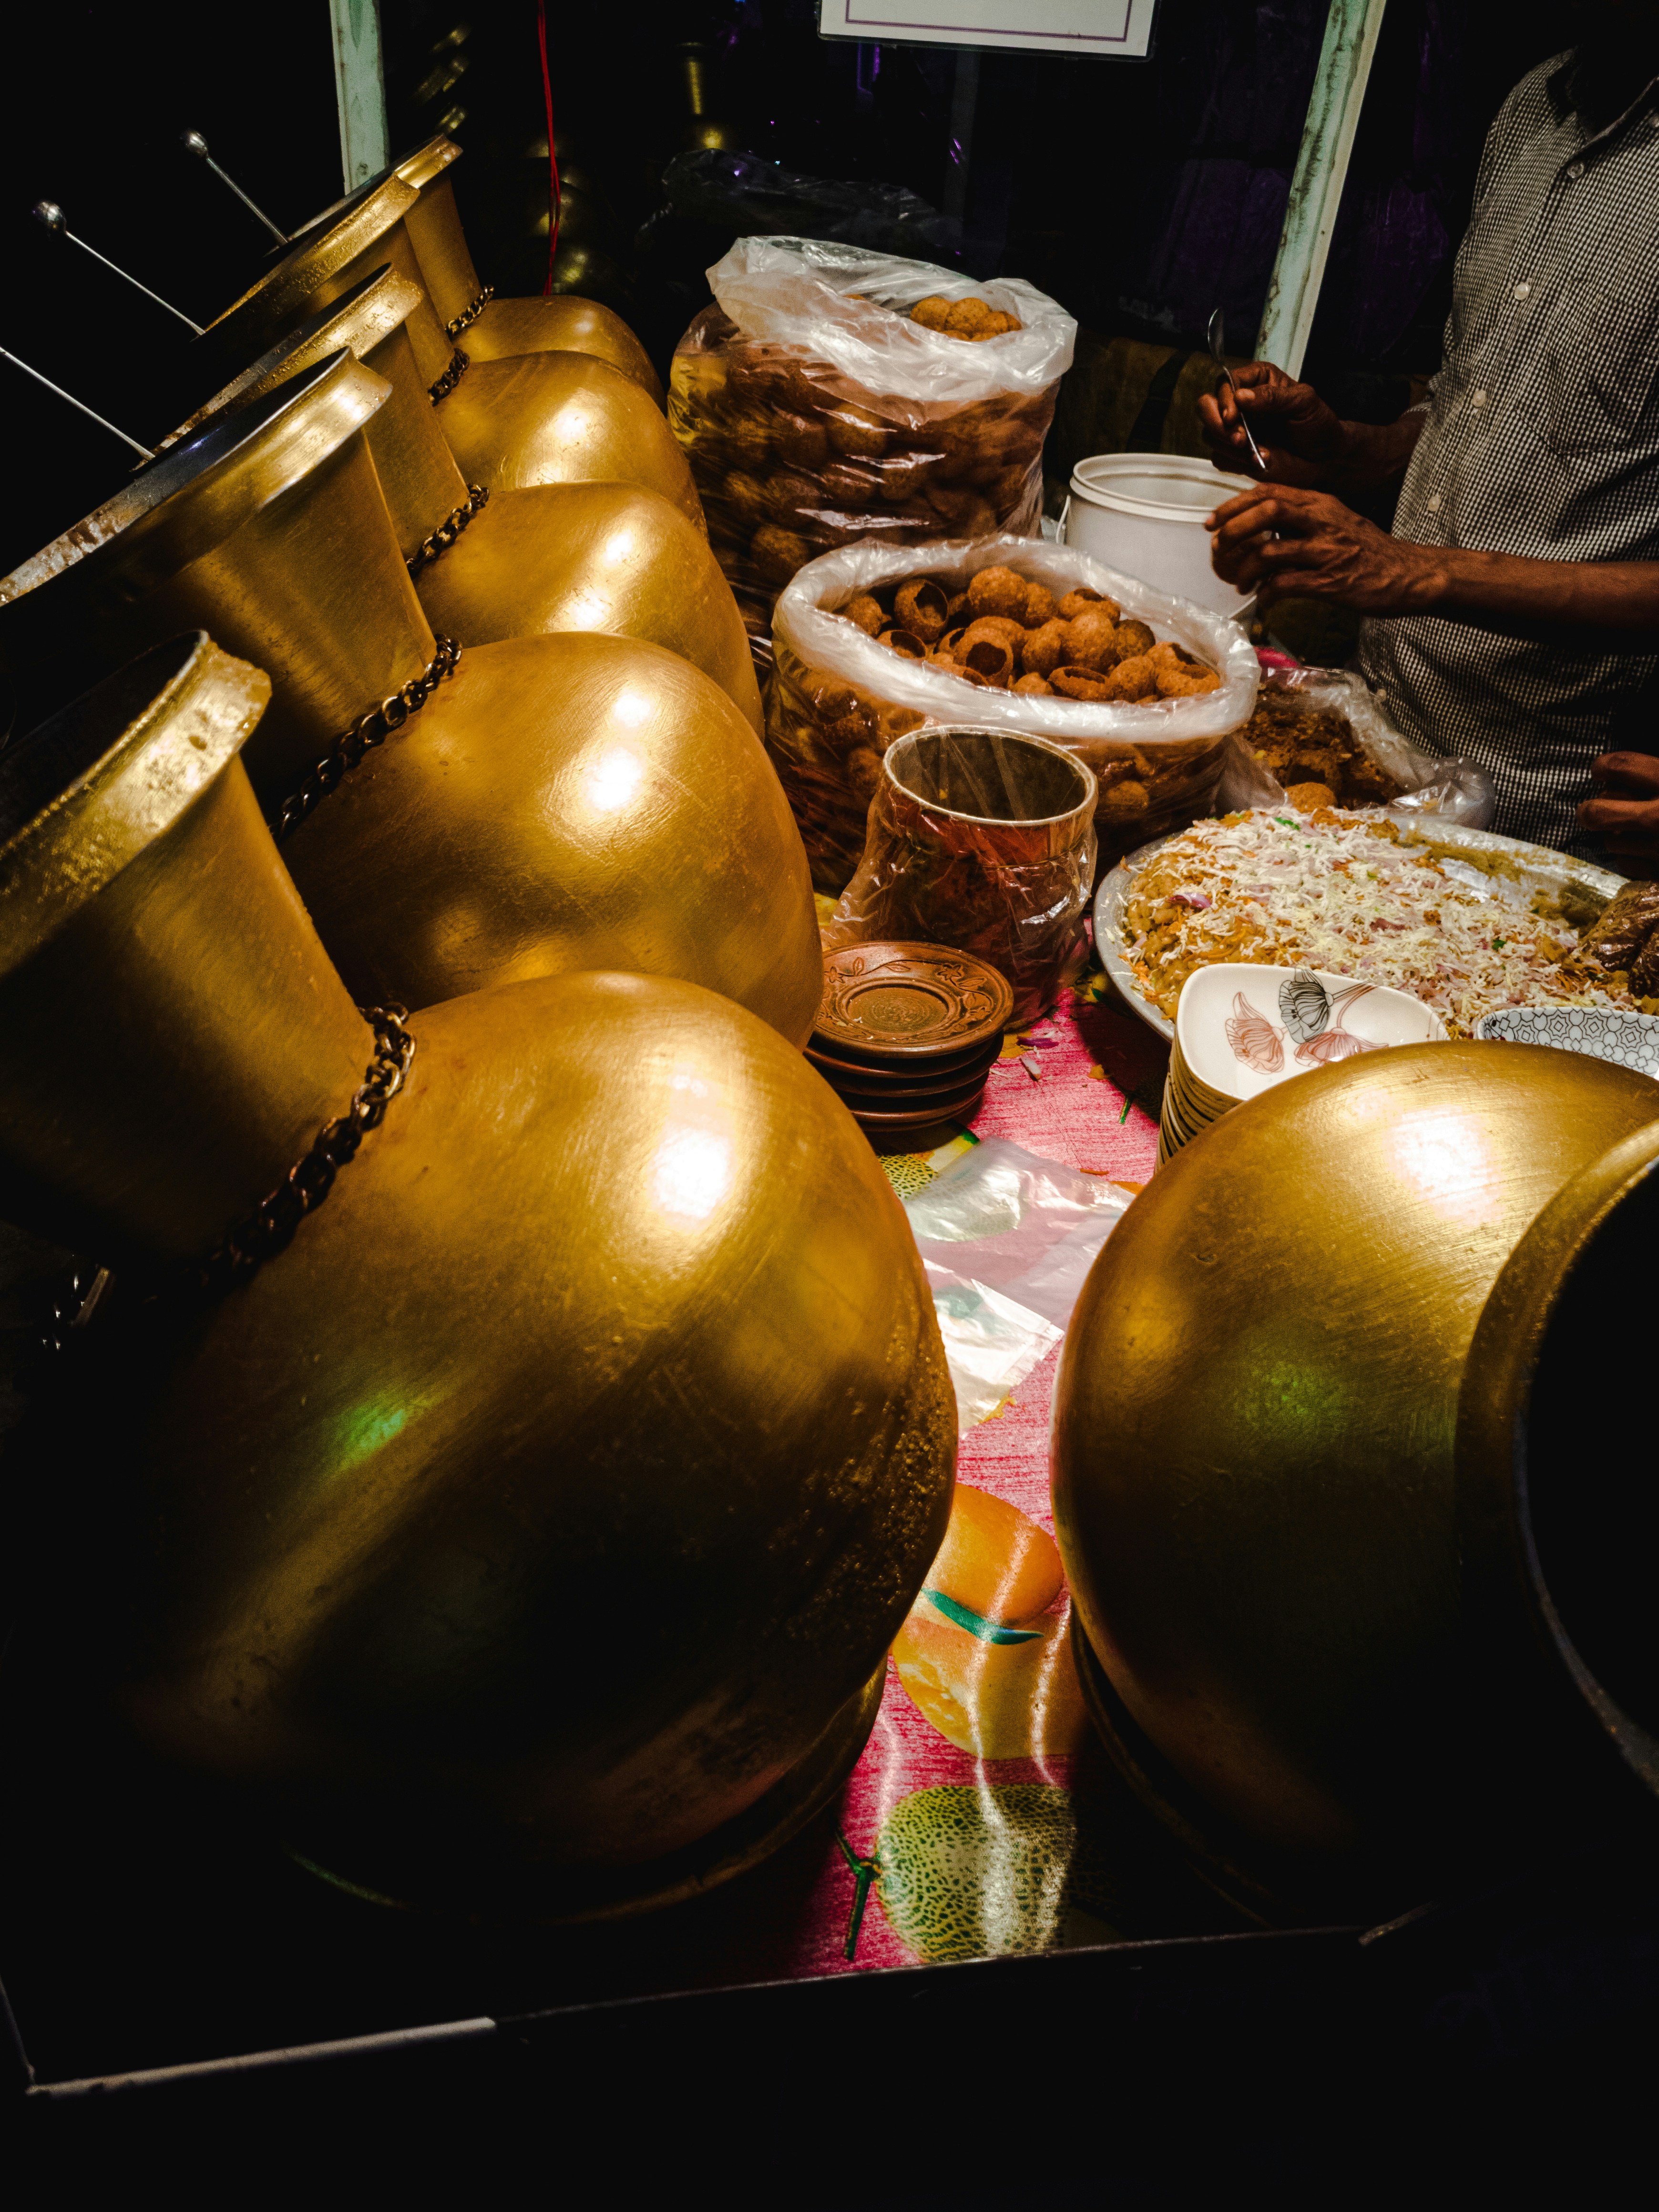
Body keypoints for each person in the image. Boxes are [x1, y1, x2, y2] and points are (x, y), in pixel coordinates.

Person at [1200, 14, 1659, 866]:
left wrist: (1417, 570)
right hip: (1384, 736)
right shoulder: (1535, 107)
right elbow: (1469, 408)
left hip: (1551, 801)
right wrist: (1337, 446)